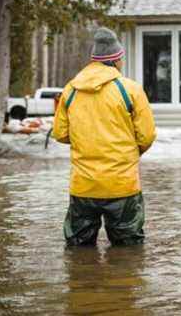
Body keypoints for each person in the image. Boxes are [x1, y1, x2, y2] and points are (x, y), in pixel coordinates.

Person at [53, 27, 156, 246]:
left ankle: (83, 279)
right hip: (122, 185)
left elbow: (60, 134)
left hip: (83, 186)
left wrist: (87, 141)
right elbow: (146, 136)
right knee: (128, 253)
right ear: (116, 59)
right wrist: (128, 153)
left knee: (78, 250)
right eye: (122, 59)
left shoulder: (70, 91)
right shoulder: (130, 90)